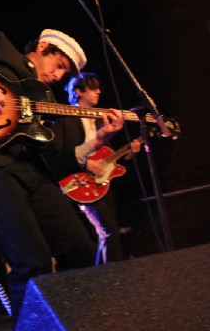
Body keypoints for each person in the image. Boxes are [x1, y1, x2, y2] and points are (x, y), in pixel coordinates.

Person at [0, 28, 126, 324]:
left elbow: (54, 160)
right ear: (43, 47)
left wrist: (100, 140)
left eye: (64, 73)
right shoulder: (1, 47)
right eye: (59, 65)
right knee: (32, 262)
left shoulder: (44, 99)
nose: (58, 75)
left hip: (29, 170)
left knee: (80, 249)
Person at [49, 72, 142, 263]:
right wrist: (84, 162)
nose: (98, 91)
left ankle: (102, 278)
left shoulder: (102, 120)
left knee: (108, 232)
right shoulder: (65, 118)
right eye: (92, 88)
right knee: (108, 232)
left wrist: (128, 153)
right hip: (79, 182)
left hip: (101, 182)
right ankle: (114, 278)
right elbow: (58, 153)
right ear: (78, 91)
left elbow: (107, 156)